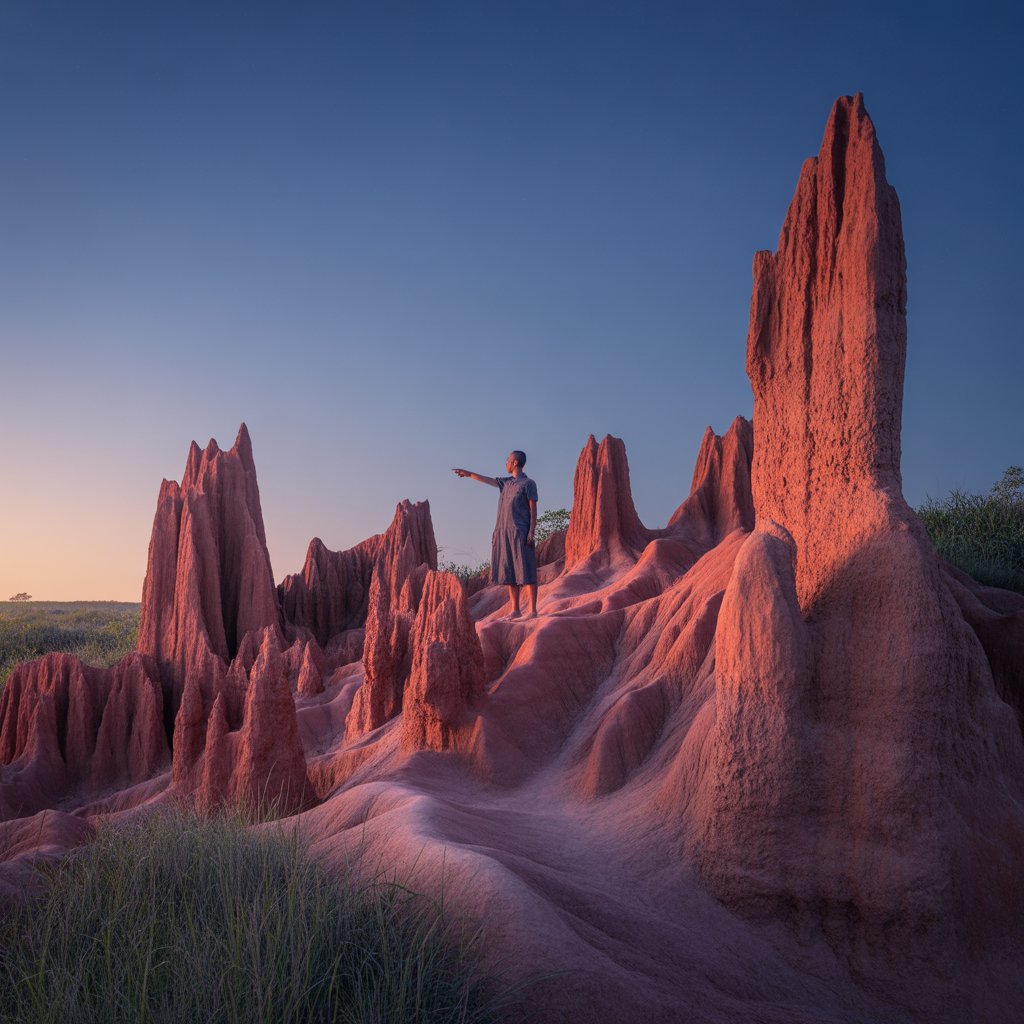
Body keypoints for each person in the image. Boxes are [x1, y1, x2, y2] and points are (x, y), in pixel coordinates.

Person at [452, 451, 538, 619]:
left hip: (521, 531)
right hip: (504, 532)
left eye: (507, 460)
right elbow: (487, 480)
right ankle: (515, 610)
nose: (505, 462)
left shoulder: (529, 484)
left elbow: (533, 510)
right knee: (511, 572)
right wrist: (469, 474)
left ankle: (533, 611)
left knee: (526, 570)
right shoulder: (506, 483)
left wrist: (531, 531)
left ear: (514, 463)